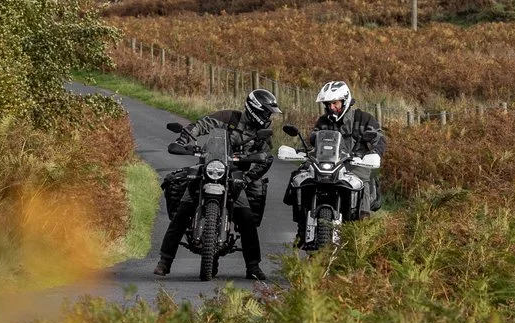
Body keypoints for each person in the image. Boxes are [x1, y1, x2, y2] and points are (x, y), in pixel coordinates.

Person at [155, 88, 282, 281]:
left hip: (235, 175)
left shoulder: (262, 134)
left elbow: (266, 158)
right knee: (184, 208)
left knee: (246, 217)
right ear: (255, 109)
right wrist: (184, 139)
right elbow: (201, 125)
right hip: (208, 166)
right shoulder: (227, 117)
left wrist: (248, 179)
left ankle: (253, 266)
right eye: (266, 112)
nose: (268, 117)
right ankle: (164, 261)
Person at [285, 79, 386, 245]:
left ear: (345, 101)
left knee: (363, 185)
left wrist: (374, 153)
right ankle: (302, 224)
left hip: (354, 166)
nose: (331, 107)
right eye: (328, 104)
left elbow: (379, 138)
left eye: (335, 103)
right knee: (301, 174)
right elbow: (314, 138)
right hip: (328, 163)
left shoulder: (364, 119)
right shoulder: (324, 121)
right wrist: (303, 148)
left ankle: (362, 235)